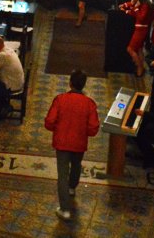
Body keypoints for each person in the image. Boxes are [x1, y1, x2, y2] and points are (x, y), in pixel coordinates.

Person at [43, 70, 99, 221]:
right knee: (76, 165)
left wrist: (57, 129)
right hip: (79, 142)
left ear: (70, 83)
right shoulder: (89, 103)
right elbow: (93, 129)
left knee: (62, 174)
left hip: (62, 142)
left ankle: (65, 209)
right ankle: (72, 187)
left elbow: (49, 122)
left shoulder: (60, 99)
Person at [120, 0, 152, 77]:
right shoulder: (141, 4)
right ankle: (141, 67)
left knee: (130, 49)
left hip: (141, 30)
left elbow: (141, 17)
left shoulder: (144, 5)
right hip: (139, 28)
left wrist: (137, 8)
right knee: (139, 49)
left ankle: (139, 67)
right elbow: (135, 13)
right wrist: (126, 11)